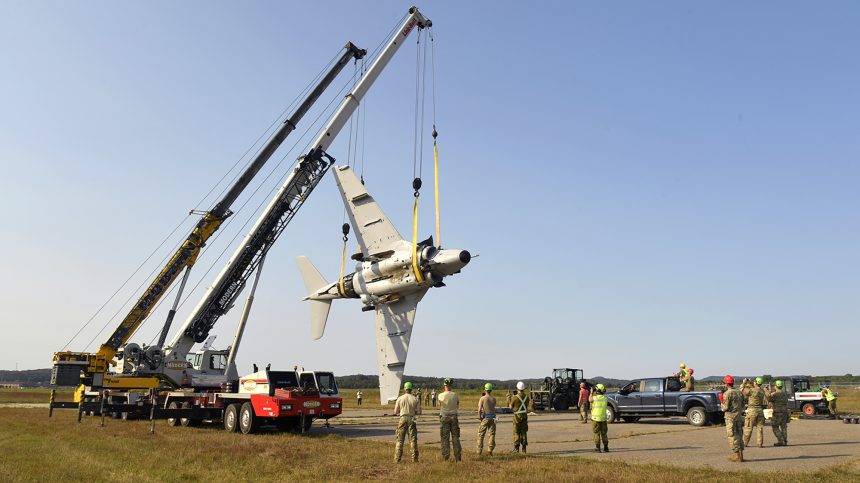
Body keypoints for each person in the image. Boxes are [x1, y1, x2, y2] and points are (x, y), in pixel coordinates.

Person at [393, 381, 422, 463]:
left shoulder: (400, 398)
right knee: (413, 439)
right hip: (412, 419)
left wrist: (401, 410)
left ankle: (397, 459)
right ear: (411, 389)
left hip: (402, 419)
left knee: (400, 440)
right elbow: (419, 412)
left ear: (405, 389)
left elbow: (395, 411)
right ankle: (414, 459)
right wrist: (413, 411)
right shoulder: (415, 399)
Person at [721, 375, 745, 462]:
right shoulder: (739, 392)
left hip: (730, 417)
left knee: (732, 436)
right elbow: (743, 406)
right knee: (739, 435)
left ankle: (737, 456)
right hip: (738, 417)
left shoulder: (727, 394)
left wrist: (721, 403)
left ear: (726, 384)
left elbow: (725, 408)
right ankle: (741, 455)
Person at [437, 378, 461, 461]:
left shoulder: (440, 395)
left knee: (445, 438)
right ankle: (458, 456)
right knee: (455, 437)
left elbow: (439, 404)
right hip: (454, 417)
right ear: (451, 385)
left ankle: (446, 456)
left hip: (444, 417)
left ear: (444, 385)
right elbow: (457, 404)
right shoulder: (455, 395)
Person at [743, 377, 769, 449]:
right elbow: (755, 388)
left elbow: (743, 390)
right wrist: (752, 383)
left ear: (756, 383)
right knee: (759, 428)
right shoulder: (762, 391)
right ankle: (759, 443)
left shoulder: (752, 390)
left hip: (752, 410)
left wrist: (744, 383)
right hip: (760, 410)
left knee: (748, 427)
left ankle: (745, 443)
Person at [476, 383, 497, 457]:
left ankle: (479, 451)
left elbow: (479, 410)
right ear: (491, 390)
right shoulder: (494, 399)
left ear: (485, 389)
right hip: (493, 418)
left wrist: (480, 418)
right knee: (492, 434)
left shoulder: (482, 398)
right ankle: (490, 450)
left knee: (481, 435)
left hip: (485, 418)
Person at [510, 381, 531, 453]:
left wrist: (510, 399)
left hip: (517, 417)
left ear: (517, 388)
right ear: (524, 388)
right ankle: (524, 449)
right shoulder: (527, 397)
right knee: (524, 432)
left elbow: (510, 407)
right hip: (524, 416)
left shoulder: (515, 398)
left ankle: (516, 448)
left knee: (516, 432)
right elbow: (526, 405)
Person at [768, 380, 789, 446]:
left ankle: (781, 440)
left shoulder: (774, 394)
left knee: (775, 427)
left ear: (776, 386)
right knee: (783, 427)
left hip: (777, 412)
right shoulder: (785, 393)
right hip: (785, 412)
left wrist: (769, 392)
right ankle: (785, 441)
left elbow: (768, 399)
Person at [590, 383, 609, 452]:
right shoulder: (605, 398)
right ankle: (606, 447)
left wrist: (591, 392)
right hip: (603, 419)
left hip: (595, 419)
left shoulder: (594, 398)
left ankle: (598, 448)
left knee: (596, 433)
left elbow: (590, 400)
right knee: (604, 433)